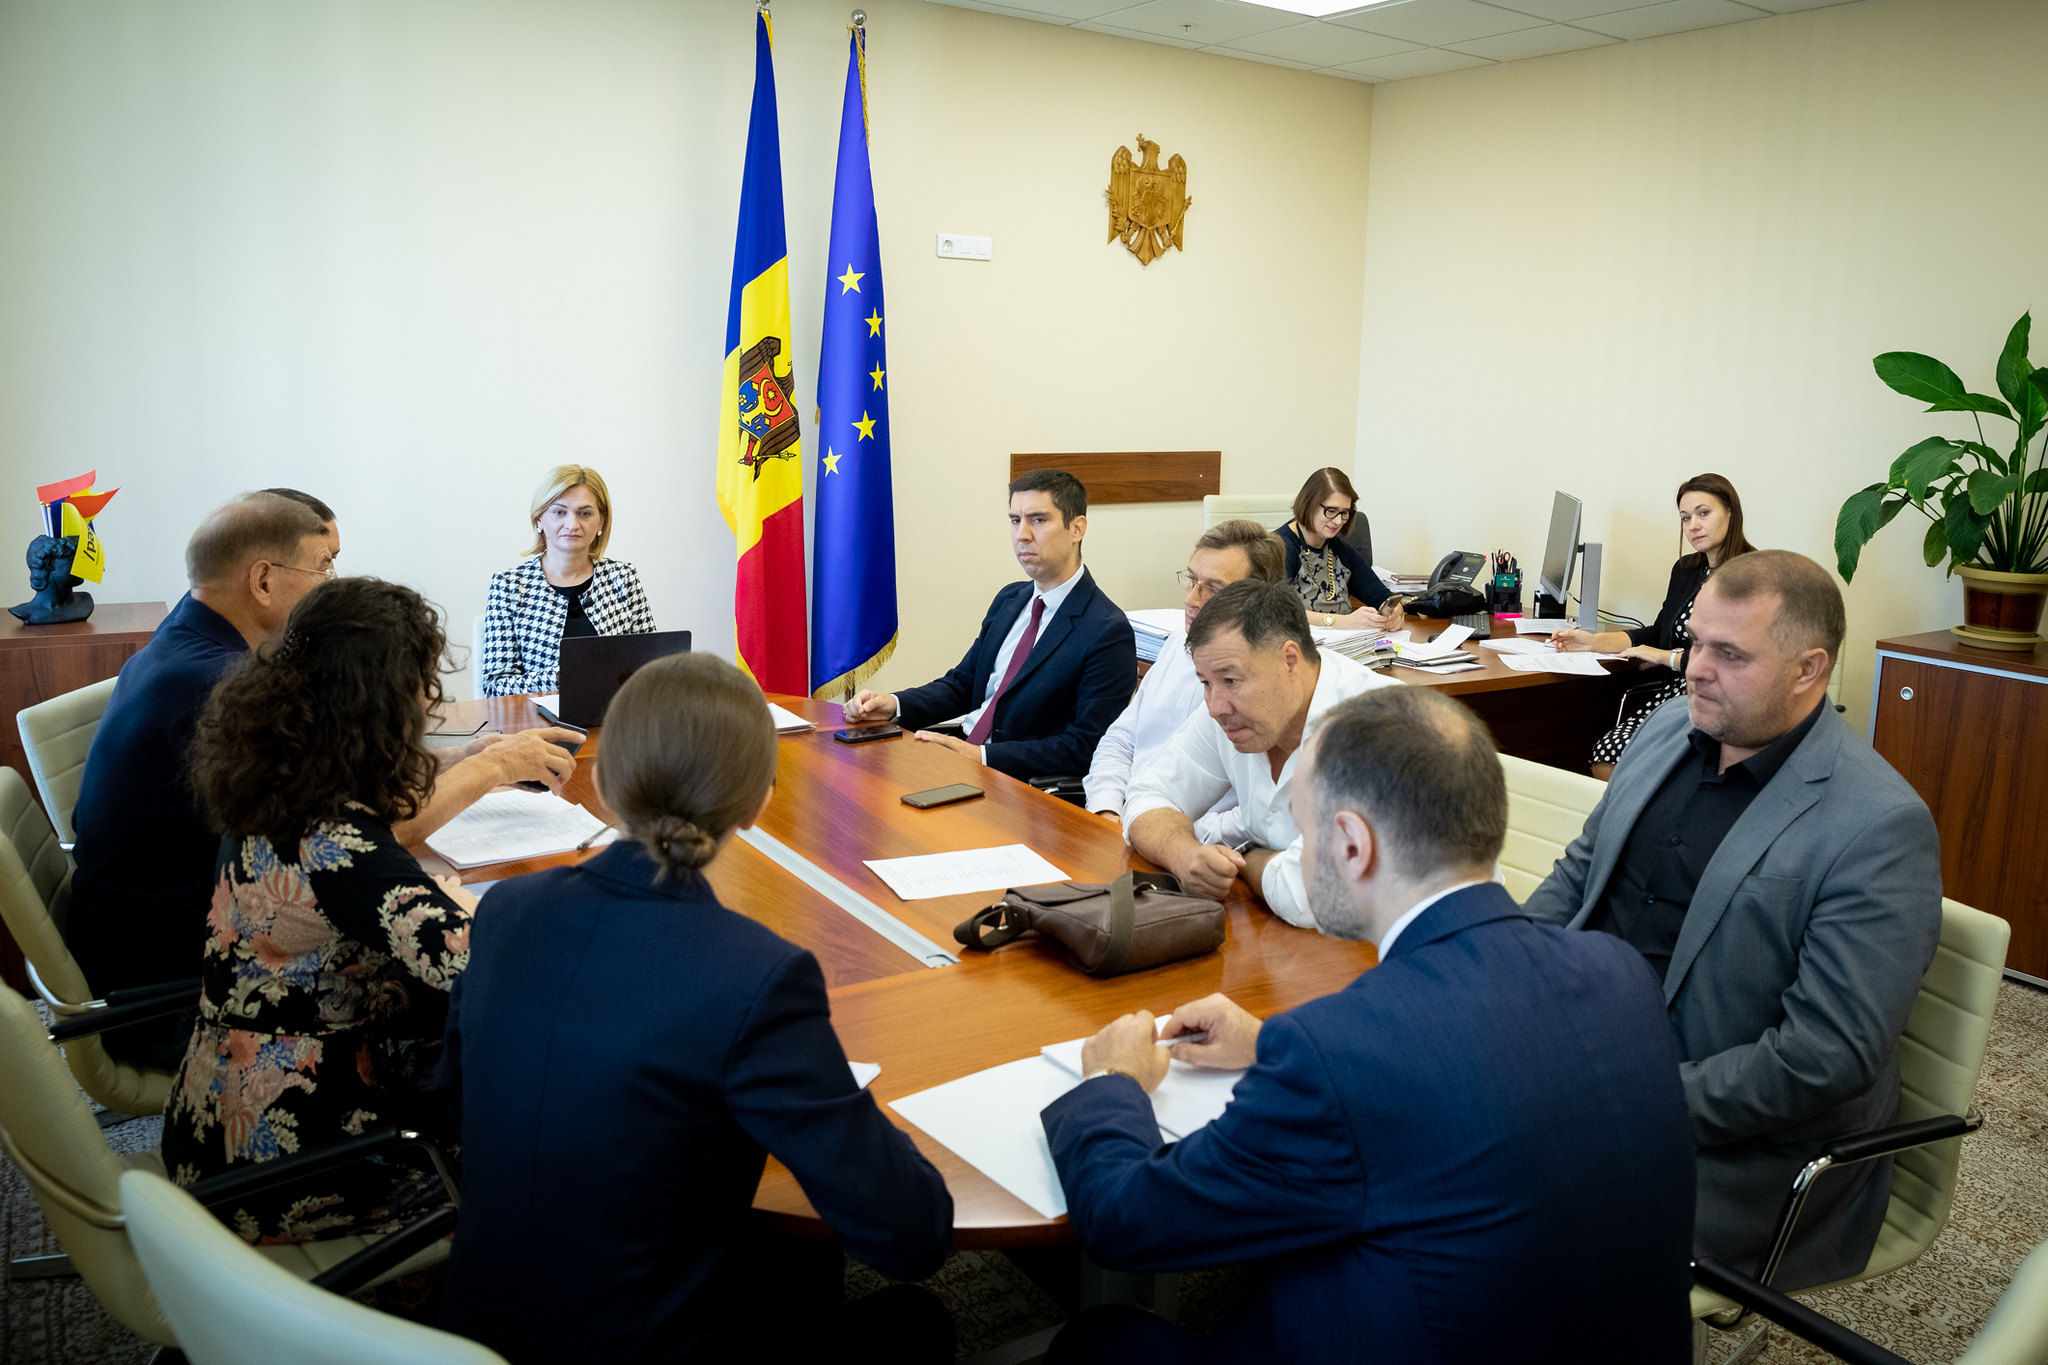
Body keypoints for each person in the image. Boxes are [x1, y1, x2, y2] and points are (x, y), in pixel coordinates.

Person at [1041, 687, 1697, 1364]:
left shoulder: (1342, 1048)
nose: (1297, 859)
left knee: (1097, 1341)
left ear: (1353, 844)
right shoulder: (1620, 972)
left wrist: (1113, 1080)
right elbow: (1475, 1071)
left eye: (1302, 836)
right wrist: (1267, 1042)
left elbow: (1126, 1221)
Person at [437, 653, 954, 1362]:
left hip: (472, 1334)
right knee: (919, 1322)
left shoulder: (506, 910)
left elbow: (457, 1098)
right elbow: (911, 1236)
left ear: (603, 781)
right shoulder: (758, 975)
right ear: (760, 802)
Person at [1521, 550, 1943, 1290]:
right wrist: (1492, 977)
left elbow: (1822, 1058)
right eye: (1695, 644)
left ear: (1809, 669)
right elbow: (1580, 875)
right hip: (1590, 1050)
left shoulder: (1877, 825)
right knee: (1397, 1108)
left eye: (1731, 654)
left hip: (1733, 1141)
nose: (1696, 670)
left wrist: (1630, 1098)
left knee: (1489, 1210)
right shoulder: (1668, 730)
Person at [63, 495, 581, 1070]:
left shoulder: (194, 649)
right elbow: (372, 835)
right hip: (187, 984)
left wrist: (460, 758)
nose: (330, 583)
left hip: (210, 944)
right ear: (263, 580)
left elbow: (345, 791)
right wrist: (491, 769)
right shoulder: (214, 684)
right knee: (512, 1006)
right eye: (323, 565)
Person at [163, 578, 480, 1243]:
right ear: (376, 702)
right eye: (420, 684)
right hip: (279, 1162)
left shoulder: (279, 774)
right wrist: (470, 905)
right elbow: (481, 968)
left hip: (212, 1112)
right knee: (527, 1140)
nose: (429, 701)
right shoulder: (337, 840)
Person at [1122, 579, 1397, 928]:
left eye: (1231, 681)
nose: (1215, 707)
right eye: (1205, 683)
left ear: (1289, 660)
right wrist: (1184, 854)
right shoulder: (1235, 714)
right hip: (1285, 936)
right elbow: (1147, 794)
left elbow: (1311, 896)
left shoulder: (1379, 728)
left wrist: (1247, 854)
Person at [842, 469, 1136, 779]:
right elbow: (963, 685)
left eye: (1038, 520)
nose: (1022, 535)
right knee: (854, 780)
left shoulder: (1107, 631)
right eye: (1015, 520)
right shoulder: (1010, 599)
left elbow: (1086, 747)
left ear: (1077, 528)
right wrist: (893, 704)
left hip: (1016, 783)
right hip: (962, 755)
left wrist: (981, 757)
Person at [1082, 519, 1284, 835]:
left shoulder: (1268, 685)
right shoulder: (1177, 642)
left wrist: (1160, 832)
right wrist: (1106, 808)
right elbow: (1121, 740)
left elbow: (1256, 813)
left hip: (1188, 842)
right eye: (1191, 580)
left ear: (1256, 600)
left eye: (1212, 589)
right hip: (1121, 823)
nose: (1191, 599)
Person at [1553, 472, 1756, 775]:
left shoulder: (1753, 575)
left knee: (1629, 760)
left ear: (1730, 511)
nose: (1693, 525)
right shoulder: (1687, 569)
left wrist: (1662, 657)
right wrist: (1592, 643)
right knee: (1606, 751)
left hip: (1719, 703)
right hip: (1673, 696)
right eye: (1685, 518)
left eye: (1703, 513)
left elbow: (1730, 660)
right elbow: (1658, 632)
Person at [479, 464, 655, 697]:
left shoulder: (623, 577)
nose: (572, 525)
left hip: (614, 713)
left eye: (585, 513)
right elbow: (495, 685)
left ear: (601, 521)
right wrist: (562, 677)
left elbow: (651, 666)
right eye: (559, 512)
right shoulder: (509, 586)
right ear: (539, 520)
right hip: (536, 718)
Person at [1275, 467, 1403, 632]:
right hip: (1298, 642)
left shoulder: (1340, 550)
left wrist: (1394, 614)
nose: (1338, 521)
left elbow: (1383, 596)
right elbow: (1277, 611)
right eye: (1331, 511)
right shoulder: (1279, 548)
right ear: (1309, 505)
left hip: (1346, 643)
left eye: (1344, 512)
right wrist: (1342, 622)